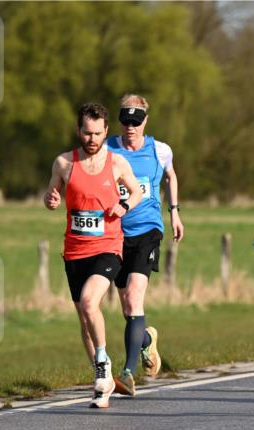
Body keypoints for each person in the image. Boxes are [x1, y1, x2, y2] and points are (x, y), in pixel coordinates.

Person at [44, 102, 142, 408]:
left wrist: (123, 207)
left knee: (90, 301)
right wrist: (51, 199)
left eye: (98, 133)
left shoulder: (117, 163)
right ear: (78, 130)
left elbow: (137, 191)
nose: (92, 139)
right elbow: (52, 196)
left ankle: (103, 364)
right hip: (74, 251)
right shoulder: (63, 163)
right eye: (87, 133)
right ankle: (102, 384)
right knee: (85, 320)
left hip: (108, 248)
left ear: (106, 132)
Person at [105, 94, 184, 397]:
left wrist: (174, 212)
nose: (131, 128)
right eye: (126, 121)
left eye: (136, 122)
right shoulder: (107, 149)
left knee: (135, 297)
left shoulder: (160, 150)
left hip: (147, 230)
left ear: (145, 121)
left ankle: (127, 371)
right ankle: (147, 340)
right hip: (115, 233)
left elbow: (170, 176)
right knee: (127, 305)